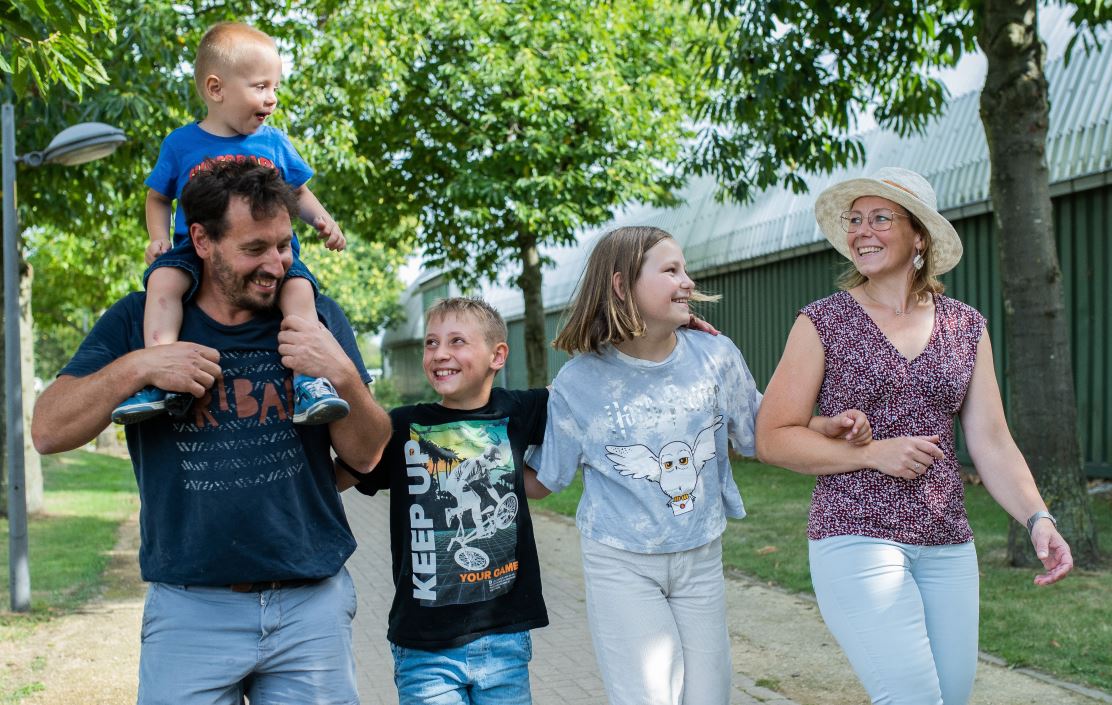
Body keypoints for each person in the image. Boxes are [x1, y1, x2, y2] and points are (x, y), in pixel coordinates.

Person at [31, 159, 392, 705]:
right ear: (201, 239)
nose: (277, 265)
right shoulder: (139, 321)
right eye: (255, 250)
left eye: (285, 245)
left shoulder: (313, 316)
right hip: (190, 611)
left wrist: (339, 371)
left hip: (309, 611)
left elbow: (368, 454)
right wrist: (142, 367)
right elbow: (48, 429)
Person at [754, 167, 1074, 705]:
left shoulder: (965, 326)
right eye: (855, 220)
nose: (862, 231)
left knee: (949, 697)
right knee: (911, 697)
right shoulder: (822, 322)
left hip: (947, 540)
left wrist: (1038, 517)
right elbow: (773, 437)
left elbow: (992, 440)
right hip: (855, 532)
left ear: (919, 235)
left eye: (881, 217)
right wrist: (873, 453)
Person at [529, 226, 869, 705]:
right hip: (621, 560)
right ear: (622, 285)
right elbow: (547, 478)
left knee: (710, 695)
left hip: (701, 555)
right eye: (671, 270)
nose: (687, 281)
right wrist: (480, 456)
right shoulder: (580, 380)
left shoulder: (715, 355)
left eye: (684, 268)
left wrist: (822, 425)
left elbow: (757, 430)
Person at [113, 21, 349, 426]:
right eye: (260, 87)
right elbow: (157, 196)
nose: (272, 99)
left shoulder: (274, 142)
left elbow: (301, 192)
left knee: (300, 294)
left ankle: (309, 381)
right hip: (194, 249)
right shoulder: (181, 143)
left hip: (276, 254)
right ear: (216, 89)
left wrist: (321, 220)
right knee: (161, 283)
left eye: (276, 88)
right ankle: (159, 374)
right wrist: (157, 238)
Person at [336, 297, 550, 705]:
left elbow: (585, 387)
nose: (440, 354)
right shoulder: (401, 426)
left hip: (505, 640)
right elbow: (339, 476)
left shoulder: (518, 410)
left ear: (497, 355)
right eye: (431, 343)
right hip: (425, 648)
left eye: (457, 341)